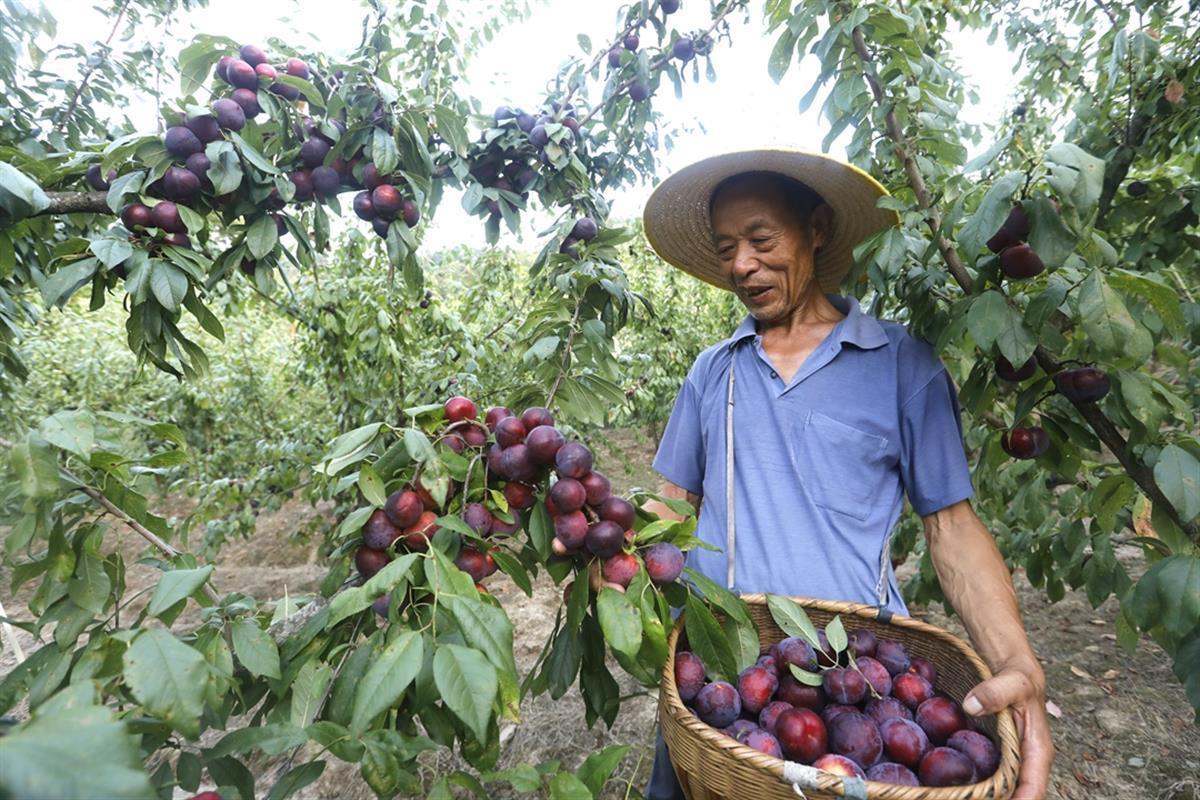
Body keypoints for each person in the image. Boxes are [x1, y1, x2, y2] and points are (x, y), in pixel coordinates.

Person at [638, 150, 1053, 800]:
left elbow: (951, 528)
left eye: (760, 239)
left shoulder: (900, 366)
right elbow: (672, 504)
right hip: (720, 677)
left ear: (819, 227)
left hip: (849, 678)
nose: (742, 264)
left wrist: (1015, 661)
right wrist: (626, 584)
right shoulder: (712, 372)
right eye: (726, 248)